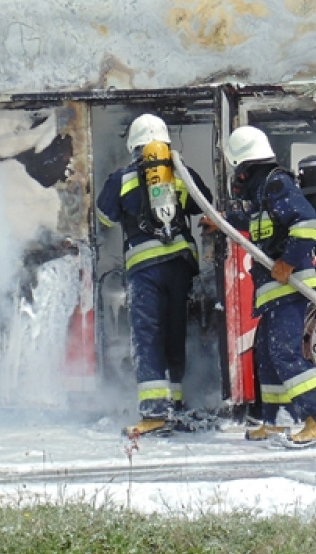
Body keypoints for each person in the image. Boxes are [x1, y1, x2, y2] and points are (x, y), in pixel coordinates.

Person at [96, 114, 212, 436]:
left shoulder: (121, 179)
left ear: (133, 146)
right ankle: (175, 403)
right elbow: (204, 203)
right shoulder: (179, 175)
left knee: (147, 337)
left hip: (145, 270)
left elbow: (104, 218)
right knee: (175, 334)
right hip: (180, 266)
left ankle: (154, 413)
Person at [223, 125, 316, 447]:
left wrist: (288, 261)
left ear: (244, 167)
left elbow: (307, 223)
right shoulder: (264, 194)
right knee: (268, 356)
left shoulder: (276, 184)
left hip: (290, 288)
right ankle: (276, 420)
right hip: (274, 292)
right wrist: (223, 221)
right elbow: (261, 225)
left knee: (285, 353)